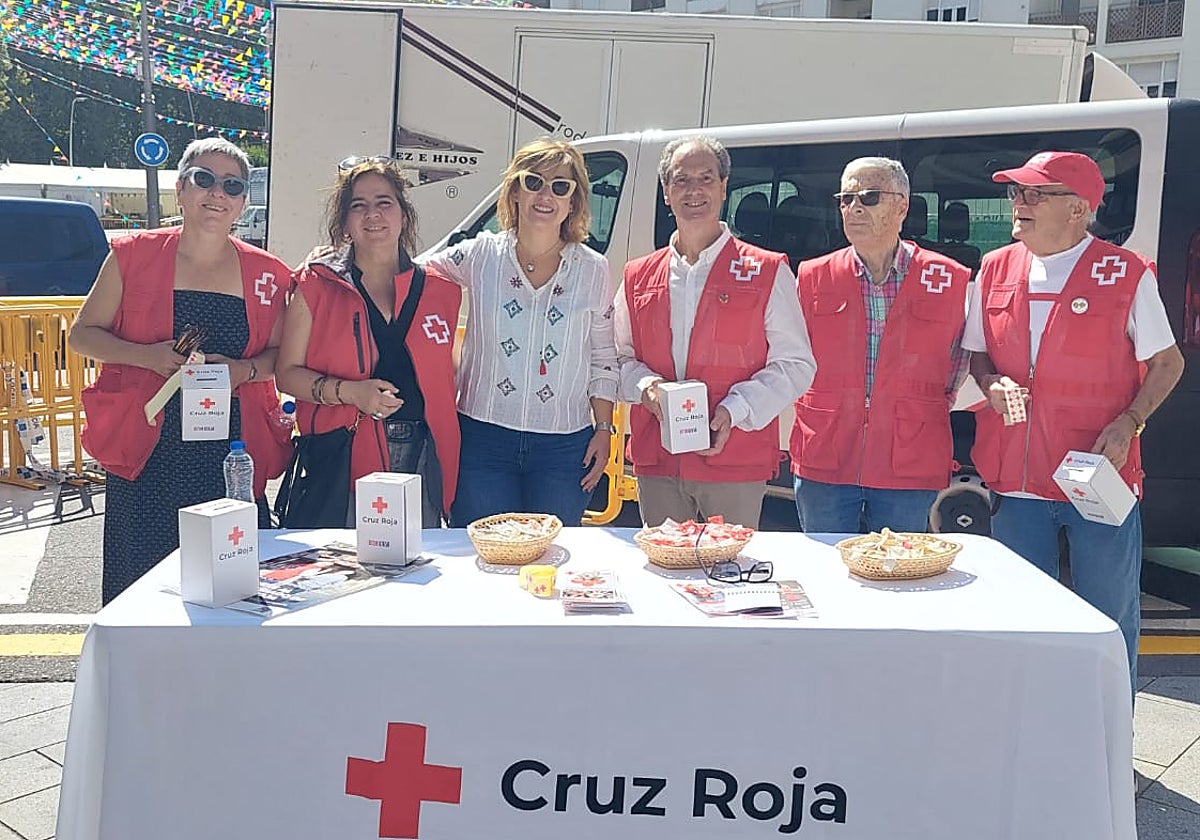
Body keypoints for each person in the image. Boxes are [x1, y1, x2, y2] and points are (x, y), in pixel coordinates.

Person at [964, 151, 1185, 691]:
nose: (1020, 204)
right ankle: (1031, 736)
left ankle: (1111, 753)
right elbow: (978, 354)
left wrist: (1130, 420)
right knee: (1022, 618)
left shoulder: (1125, 272)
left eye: (1035, 194)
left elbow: (1167, 362)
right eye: (1016, 193)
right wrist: (993, 384)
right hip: (1017, 483)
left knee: (1107, 620)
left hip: (1097, 478)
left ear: (1080, 209)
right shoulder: (995, 266)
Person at [71, 138, 292, 604]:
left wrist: (244, 371)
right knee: (144, 588)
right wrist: (148, 356)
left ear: (243, 201)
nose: (218, 194)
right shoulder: (133, 255)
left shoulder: (268, 273)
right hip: (147, 447)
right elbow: (83, 336)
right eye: (204, 179)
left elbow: (279, 356)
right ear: (181, 189)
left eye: (232, 185)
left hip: (230, 454)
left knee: (233, 589)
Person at [613, 136, 816, 529]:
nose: (694, 190)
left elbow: (796, 364)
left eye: (706, 178)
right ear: (667, 192)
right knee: (667, 576)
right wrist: (647, 388)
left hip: (734, 461)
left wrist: (733, 410)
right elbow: (616, 357)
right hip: (658, 461)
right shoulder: (638, 275)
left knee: (732, 577)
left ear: (724, 187)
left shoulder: (766, 270)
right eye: (681, 179)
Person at [421, 138, 618, 527]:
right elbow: (406, 271)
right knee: (483, 558)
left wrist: (604, 429)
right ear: (514, 190)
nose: (546, 195)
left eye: (561, 186)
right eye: (534, 182)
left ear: (573, 200)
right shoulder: (479, 255)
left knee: (551, 562)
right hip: (483, 439)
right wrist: (339, 261)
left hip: (564, 448)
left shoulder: (593, 269)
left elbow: (603, 357)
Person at [789, 157, 971, 534]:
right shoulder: (812, 276)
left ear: (902, 205)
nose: (853, 207)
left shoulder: (947, 278)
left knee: (898, 578)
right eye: (845, 198)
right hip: (826, 454)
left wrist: (915, 410)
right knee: (827, 574)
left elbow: (958, 361)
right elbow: (791, 358)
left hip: (909, 459)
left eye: (869, 197)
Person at [276, 157, 461, 526]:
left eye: (383, 202)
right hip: (345, 457)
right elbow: (286, 375)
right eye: (357, 205)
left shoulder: (443, 291)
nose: (372, 214)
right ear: (344, 222)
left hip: (423, 458)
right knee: (350, 573)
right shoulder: (316, 285)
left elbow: (445, 374)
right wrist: (351, 392)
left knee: (415, 572)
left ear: (403, 215)